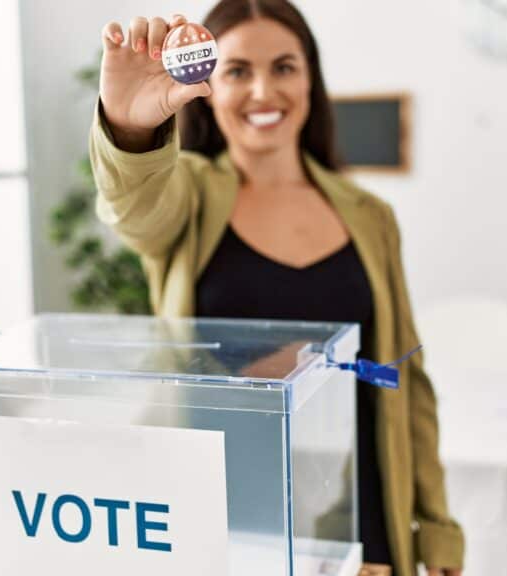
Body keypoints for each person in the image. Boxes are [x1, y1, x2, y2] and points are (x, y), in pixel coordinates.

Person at [89, 1, 464, 574]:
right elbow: (133, 207)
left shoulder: (371, 217)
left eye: (284, 67)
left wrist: (435, 529)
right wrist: (131, 124)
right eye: (238, 70)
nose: (264, 90)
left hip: (359, 521)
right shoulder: (186, 196)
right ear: (206, 82)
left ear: (311, 77)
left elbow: (408, 383)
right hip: (226, 521)